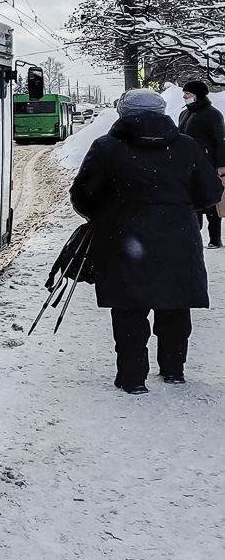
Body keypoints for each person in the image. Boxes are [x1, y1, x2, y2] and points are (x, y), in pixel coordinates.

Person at [70, 88, 224, 392]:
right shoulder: (186, 147)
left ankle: (132, 378)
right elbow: (210, 193)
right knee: (175, 302)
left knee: (129, 308)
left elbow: (83, 195)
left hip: (124, 240)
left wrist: (107, 215)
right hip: (178, 239)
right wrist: (178, 210)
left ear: (123, 114)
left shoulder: (106, 147)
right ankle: (173, 369)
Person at [179, 80, 225, 249]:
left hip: (207, 164)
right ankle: (194, 236)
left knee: (210, 201)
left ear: (197, 95)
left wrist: (221, 165)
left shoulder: (212, 114)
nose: (184, 97)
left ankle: (215, 238)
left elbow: (219, 140)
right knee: (192, 201)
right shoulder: (185, 114)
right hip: (187, 166)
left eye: (188, 93)